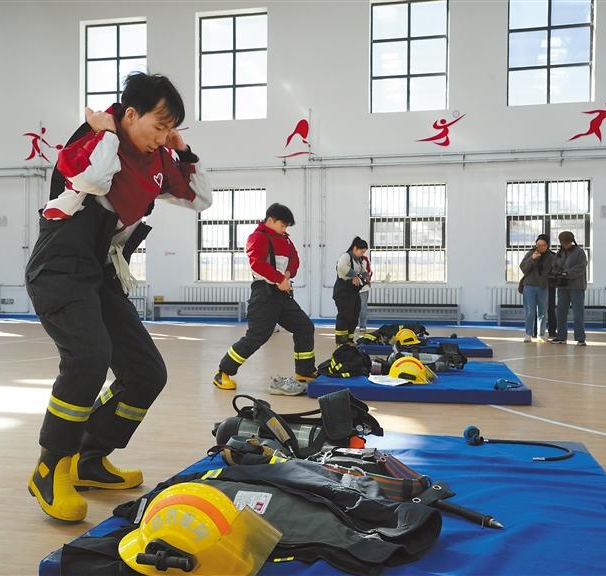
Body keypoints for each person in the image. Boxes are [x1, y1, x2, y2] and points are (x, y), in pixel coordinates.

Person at [25, 72, 211, 522]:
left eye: (171, 129)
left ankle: (89, 458)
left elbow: (200, 199)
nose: (163, 137)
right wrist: (107, 132)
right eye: (159, 126)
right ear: (130, 114)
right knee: (88, 358)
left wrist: (184, 151)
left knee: (146, 373)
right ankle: (51, 467)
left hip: (100, 273)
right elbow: (93, 180)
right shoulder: (91, 142)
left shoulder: (157, 159)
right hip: (60, 268)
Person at [213, 203, 317, 396]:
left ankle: (304, 371)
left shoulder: (285, 240)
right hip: (264, 293)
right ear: (270, 220)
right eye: (282, 225)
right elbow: (257, 264)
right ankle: (223, 372)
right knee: (257, 336)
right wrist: (279, 279)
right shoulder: (258, 237)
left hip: (282, 293)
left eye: (286, 226)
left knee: (304, 327)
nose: (284, 229)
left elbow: (294, 259)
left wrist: (287, 275)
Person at [550, 231, 588, 346]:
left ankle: (580, 338)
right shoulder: (559, 253)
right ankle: (561, 337)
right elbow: (554, 266)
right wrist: (556, 273)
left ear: (572, 241)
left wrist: (567, 273)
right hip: (562, 287)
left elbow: (581, 268)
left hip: (577, 287)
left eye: (567, 242)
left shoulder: (580, 252)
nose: (565, 245)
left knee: (578, 313)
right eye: (563, 243)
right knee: (560, 312)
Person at [519, 234, 554, 343]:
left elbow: (551, 271)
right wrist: (532, 259)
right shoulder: (530, 253)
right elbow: (523, 268)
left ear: (547, 246)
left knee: (542, 312)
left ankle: (541, 334)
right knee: (530, 311)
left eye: (543, 245)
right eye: (538, 245)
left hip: (543, 287)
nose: (540, 247)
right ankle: (528, 334)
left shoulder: (551, 256)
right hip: (529, 286)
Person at [333, 237, 368, 344]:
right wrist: (354, 275)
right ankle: (341, 341)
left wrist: (366, 276)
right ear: (355, 248)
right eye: (361, 252)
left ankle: (349, 339)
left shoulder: (358, 260)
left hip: (353, 292)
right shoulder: (346, 256)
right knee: (345, 316)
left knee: (354, 315)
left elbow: (362, 270)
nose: (362, 254)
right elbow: (341, 267)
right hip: (343, 291)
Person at [358, 252, 373, 332]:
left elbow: (369, 271)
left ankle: (362, 325)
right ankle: (351, 326)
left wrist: (367, 280)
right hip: (352, 288)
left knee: (363, 307)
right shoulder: (349, 259)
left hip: (363, 288)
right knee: (352, 307)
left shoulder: (365, 259)